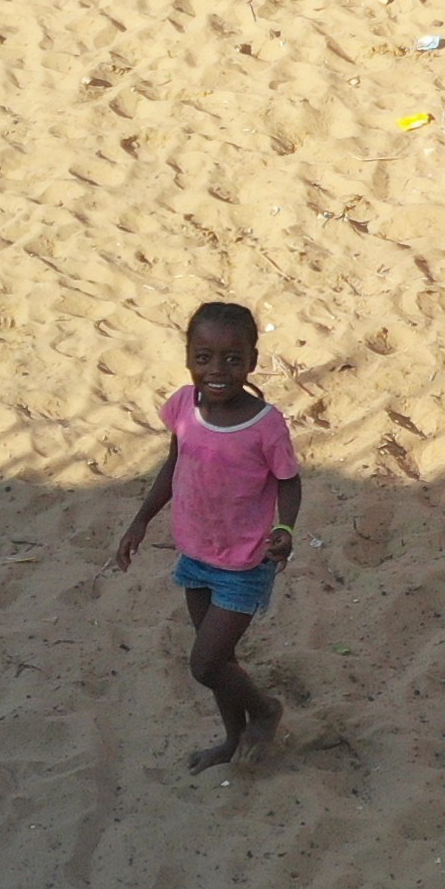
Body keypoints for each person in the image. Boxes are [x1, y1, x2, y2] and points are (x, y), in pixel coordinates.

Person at [106, 300, 304, 772]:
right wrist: (141, 520)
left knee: (205, 664)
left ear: (253, 362)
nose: (218, 370)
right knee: (221, 662)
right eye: (204, 357)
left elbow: (289, 481)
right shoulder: (183, 407)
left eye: (233, 359)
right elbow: (174, 464)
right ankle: (233, 738)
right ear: (189, 358)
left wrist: (284, 528)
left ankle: (265, 710)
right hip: (195, 554)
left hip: (245, 563)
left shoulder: (265, 424)